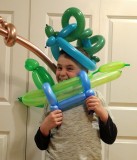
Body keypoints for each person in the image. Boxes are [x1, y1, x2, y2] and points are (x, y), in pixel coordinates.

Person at [34, 48, 117, 160]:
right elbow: (41, 145)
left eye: (69, 68)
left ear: (84, 72)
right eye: (59, 67)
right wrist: (45, 127)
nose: (62, 73)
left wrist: (102, 113)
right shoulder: (50, 100)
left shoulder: (95, 97)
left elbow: (110, 138)